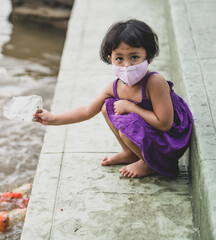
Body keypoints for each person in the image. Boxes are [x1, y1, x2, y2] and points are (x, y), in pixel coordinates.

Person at [33, 19, 193, 178]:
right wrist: (52, 118)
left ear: (148, 58)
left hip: (171, 139)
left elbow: (165, 124)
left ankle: (149, 164)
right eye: (119, 58)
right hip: (150, 134)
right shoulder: (115, 87)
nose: (127, 65)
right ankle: (129, 152)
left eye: (134, 57)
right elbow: (87, 111)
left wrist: (132, 108)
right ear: (110, 59)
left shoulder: (155, 82)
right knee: (106, 106)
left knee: (127, 126)